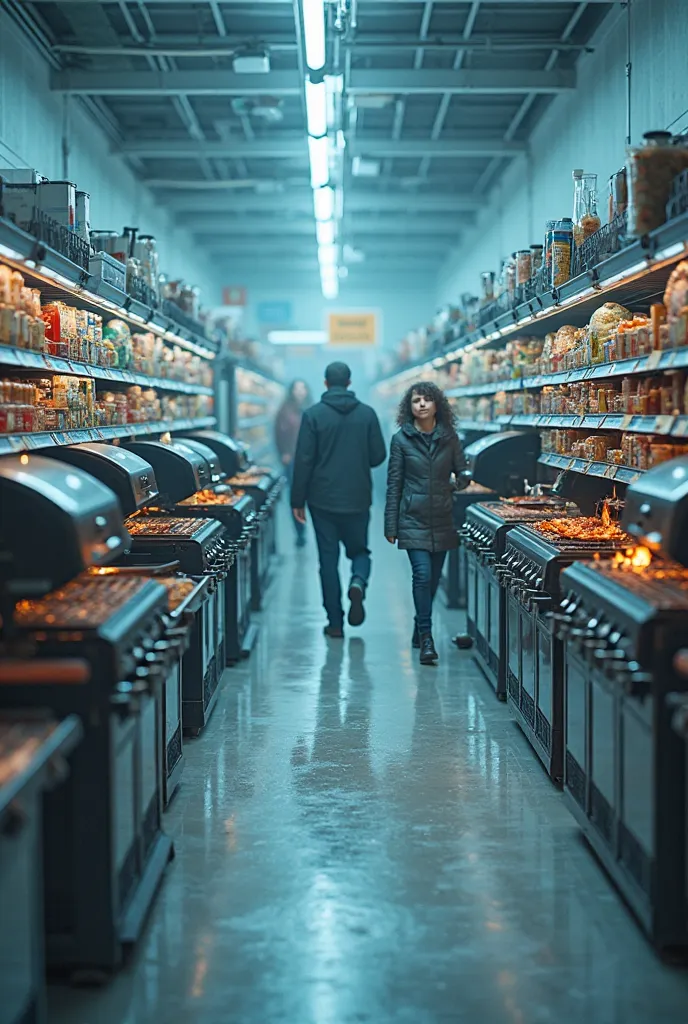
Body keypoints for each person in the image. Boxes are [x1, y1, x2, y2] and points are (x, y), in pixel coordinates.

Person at [291, 361, 387, 638]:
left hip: (322, 501)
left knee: (328, 562)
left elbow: (304, 460)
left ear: (325, 383)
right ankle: (358, 581)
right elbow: (378, 456)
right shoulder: (367, 415)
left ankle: (335, 623)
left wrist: (297, 500)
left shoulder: (313, 415)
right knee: (360, 551)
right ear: (349, 382)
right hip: (357, 496)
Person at [384, 381, 468, 665]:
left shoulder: (450, 438)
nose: (421, 404)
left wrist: (458, 482)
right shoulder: (401, 440)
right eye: (416, 400)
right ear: (409, 407)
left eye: (427, 400)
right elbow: (394, 483)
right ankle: (427, 639)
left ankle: (418, 627)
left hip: (442, 517)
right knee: (421, 575)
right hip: (412, 518)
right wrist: (390, 525)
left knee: (431, 581)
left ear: (437, 405)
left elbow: (462, 471)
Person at [274, 379, 312, 546]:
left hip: (311, 459)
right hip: (293, 460)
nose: (300, 392)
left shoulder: (312, 408)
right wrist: (284, 453)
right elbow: (278, 433)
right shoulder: (284, 410)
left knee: (314, 496)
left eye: (303, 388)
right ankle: (300, 531)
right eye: (297, 389)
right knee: (297, 497)